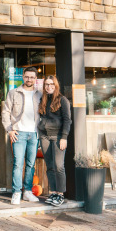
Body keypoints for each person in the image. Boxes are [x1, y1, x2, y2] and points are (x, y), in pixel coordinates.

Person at [2, 67, 42, 205]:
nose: (29, 79)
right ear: (23, 77)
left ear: (35, 78)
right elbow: (6, 112)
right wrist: (9, 130)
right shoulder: (14, 93)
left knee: (31, 164)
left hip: (34, 133)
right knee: (18, 163)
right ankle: (17, 192)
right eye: (27, 76)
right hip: (19, 133)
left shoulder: (39, 94)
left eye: (32, 77)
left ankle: (28, 192)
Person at [38, 75, 71, 207]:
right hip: (44, 136)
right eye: (46, 84)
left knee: (59, 166)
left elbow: (67, 120)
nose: (49, 86)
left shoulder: (63, 100)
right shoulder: (43, 99)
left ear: (56, 85)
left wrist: (64, 137)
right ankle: (53, 192)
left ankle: (60, 194)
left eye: (51, 84)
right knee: (50, 166)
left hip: (58, 136)